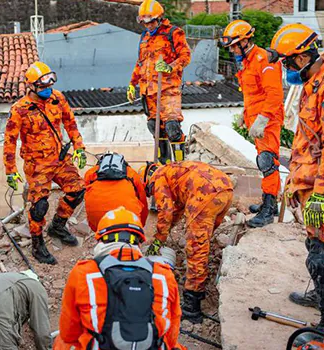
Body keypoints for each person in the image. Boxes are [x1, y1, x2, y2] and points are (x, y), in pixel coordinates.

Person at [268, 23, 324, 331]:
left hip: (323, 185)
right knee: (313, 244)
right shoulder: (313, 81)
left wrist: (320, 192)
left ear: (302, 58)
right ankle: (321, 295)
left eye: (287, 61)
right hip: (309, 182)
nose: (286, 68)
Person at [54, 207, 185, 350]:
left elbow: (69, 334)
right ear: (139, 243)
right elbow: (172, 337)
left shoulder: (84, 273)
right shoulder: (163, 275)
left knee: (63, 342)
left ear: (102, 240)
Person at [3, 61, 87, 265]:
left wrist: (79, 147)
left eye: (50, 85)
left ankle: (58, 225)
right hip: (37, 165)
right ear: (31, 86)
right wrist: (10, 171)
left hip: (60, 158)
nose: (48, 90)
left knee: (77, 190)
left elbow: (70, 122)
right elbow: (10, 142)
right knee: (39, 206)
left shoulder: (57, 99)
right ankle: (37, 244)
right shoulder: (20, 110)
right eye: (43, 87)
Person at [140, 161, 233, 324]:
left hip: (205, 192)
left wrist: (158, 241)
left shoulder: (159, 177)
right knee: (202, 241)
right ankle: (197, 278)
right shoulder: (172, 171)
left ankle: (192, 305)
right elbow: (176, 211)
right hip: (224, 188)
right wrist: (166, 232)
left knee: (196, 249)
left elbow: (165, 212)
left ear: (147, 181)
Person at [220, 20, 285, 228]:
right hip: (256, 118)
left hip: (268, 120)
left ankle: (268, 209)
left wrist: (263, 118)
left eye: (233, 45)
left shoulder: (264, 59)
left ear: (245, 41)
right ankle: (270, 201)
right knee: (263, 161)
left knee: (268, 162)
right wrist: (245, 113)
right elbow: (253, 93)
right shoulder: (248, 61)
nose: (232, 50)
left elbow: (274, 94)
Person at [128, 0, 191, 164]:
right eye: (144, 23)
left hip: (168, 90)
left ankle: (179, 164)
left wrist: (170, 67)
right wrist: (132, 83)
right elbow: (140, 63)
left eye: (151, 22)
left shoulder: (173, 33)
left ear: (159, 18)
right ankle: (164, 163)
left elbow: (185, 56)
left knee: (172, 128)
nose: (148, 26)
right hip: (148, 92)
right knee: (155, 128)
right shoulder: (144, 37)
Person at [84, 152, 148, 232]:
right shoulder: (132, 174)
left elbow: (87, 195)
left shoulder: (90, 173)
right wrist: (140, 226)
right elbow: (143, 200)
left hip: (99, 222)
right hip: (128, 221)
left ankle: (100, 234)